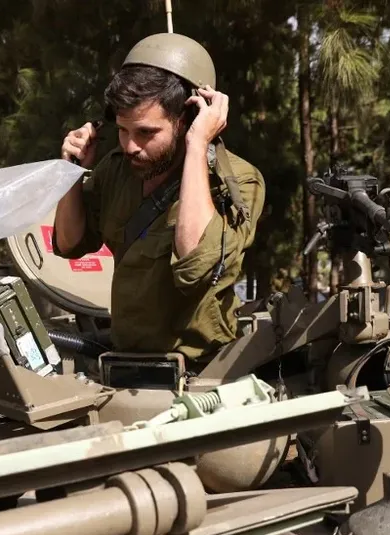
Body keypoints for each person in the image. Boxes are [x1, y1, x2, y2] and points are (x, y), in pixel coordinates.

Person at [53, 33, 265, 368]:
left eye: (146, 133)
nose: (130, 146)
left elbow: (195, 266)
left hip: (202, 370)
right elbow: (69, 244)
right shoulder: (116, 171)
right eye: (123, 130)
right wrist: (71, 171)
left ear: (188, 118)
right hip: (124, 364)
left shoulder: (235, 181)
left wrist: (198, 144)